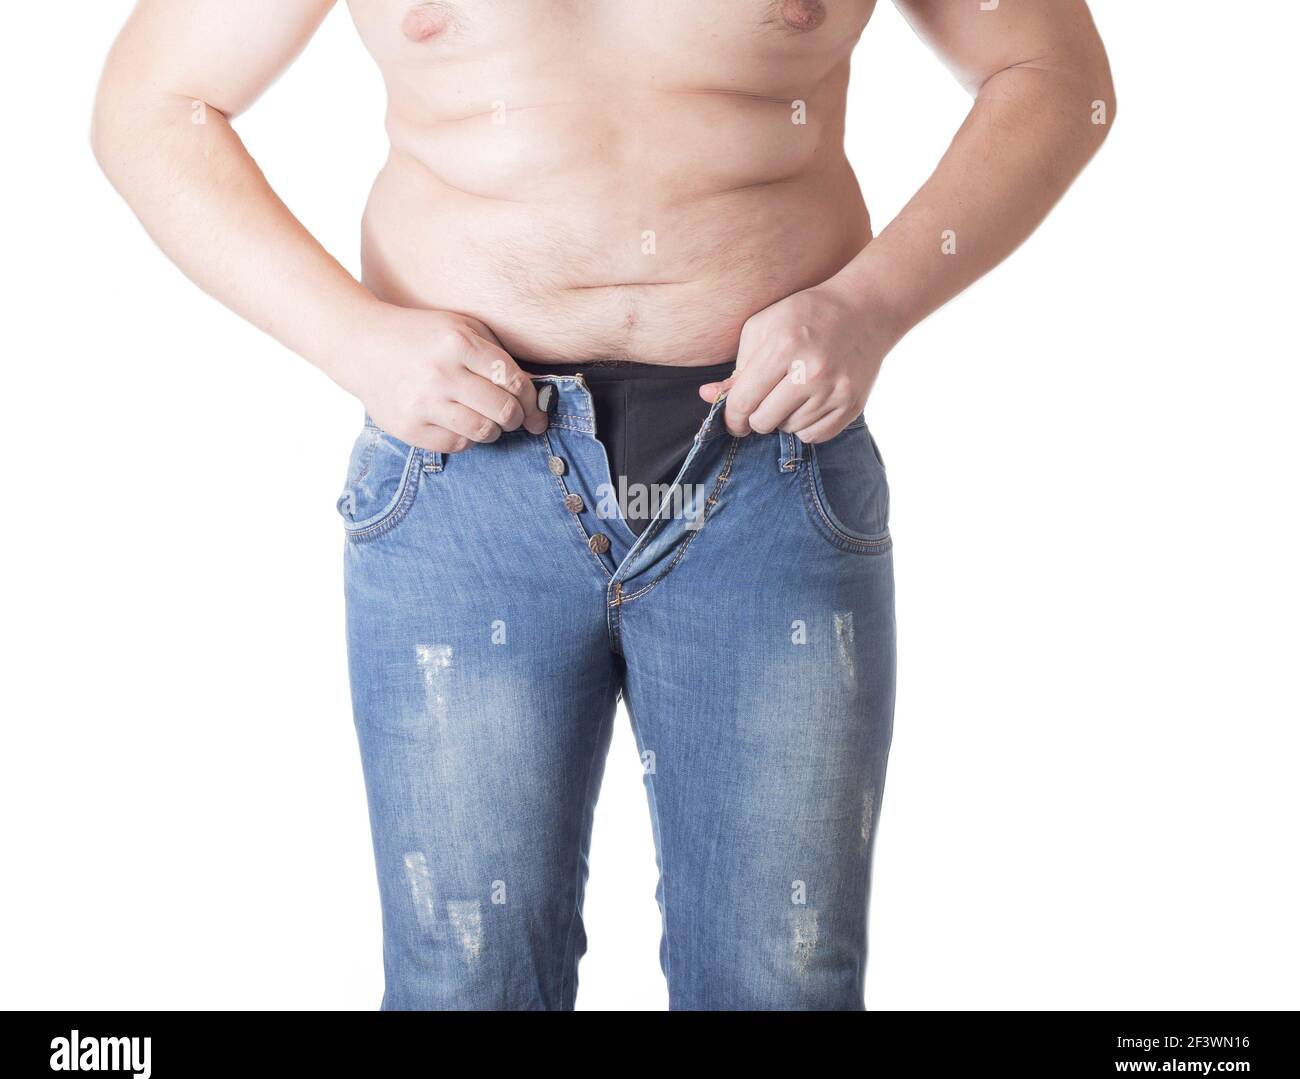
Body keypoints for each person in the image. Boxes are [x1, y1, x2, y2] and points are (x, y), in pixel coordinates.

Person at [92, 0, 1114, 1010]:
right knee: (465, 982)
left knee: (782, 983)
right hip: (463, 486)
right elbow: (155, 100)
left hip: (767, 468)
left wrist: (871, 304)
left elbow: (1055, 78)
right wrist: (352, 340)